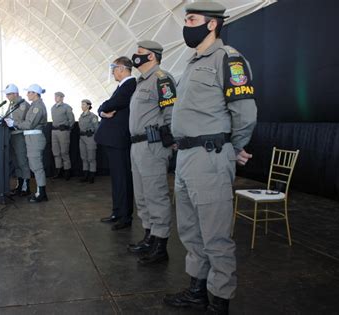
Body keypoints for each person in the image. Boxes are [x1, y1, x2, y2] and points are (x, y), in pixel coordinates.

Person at [163, 1, 257, 314]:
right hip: (187, 158)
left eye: (192, 19)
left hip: (210, 157)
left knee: (215, 235)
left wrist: (232, 147)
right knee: (190, 231)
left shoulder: (228, 59)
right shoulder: (191, 63)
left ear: (212, 24)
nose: (186, 25)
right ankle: (197, 291)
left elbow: (244, 112)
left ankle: (219, 302)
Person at [127, 40, 176, 265]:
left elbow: (171, 112)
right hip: (137, 145)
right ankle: (149, 237)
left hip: (153, 144)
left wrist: (169, 141)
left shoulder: (162, 79)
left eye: (140, 53)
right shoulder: (140, 83)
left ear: (152, 57)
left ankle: (160, 245)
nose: (135, 56)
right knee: (143, 196)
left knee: (156, 195)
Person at [94, 56, 136, 231]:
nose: (112, 72)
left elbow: (113, 103)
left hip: (120, 139)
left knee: (123, 178)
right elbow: (104, 107)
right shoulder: (122, 86)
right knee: (117, 179)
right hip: (113, 140)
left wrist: (103, 108)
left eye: (114, 68)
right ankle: (117, 211)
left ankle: (125, 216)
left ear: (122, 68)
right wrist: (103, 110)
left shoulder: (130, 85)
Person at [5, 84, 49, 203]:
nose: (27, 94)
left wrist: (14, 124)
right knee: (35, 166)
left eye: (29, 92)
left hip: (35, 137)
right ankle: (40, 191)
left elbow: (29, 124)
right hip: (31, 137)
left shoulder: (37, 106)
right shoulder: (34, 105)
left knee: (37, 167)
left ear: (35, 93)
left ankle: (41, 193)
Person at [2, 84, 31, 196]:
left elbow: (24, 121)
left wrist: (13, 123)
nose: (7, 96)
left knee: (22, 160)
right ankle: (20, 185)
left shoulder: (23, 105)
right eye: (6, 94)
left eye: (9, 94)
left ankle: (26, 186)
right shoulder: (12, 104)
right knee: (16, 161)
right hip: (12, 134)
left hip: (20, 135)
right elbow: (7, 117)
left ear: (15, 94)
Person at [51, 91, 75, 180]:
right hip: (54, 131)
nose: (55, 98)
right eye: (55, 96)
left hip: (63, 131)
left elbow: (71, 120)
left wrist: (67, 128)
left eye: (57, 96)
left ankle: (67, 171)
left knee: (64, 152)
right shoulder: (53, 107)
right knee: (56, 152)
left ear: (61, 97)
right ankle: (58, 171)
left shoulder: (67, 107)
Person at [78, 99, 99, 184]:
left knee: (91, 158)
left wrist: (91, 130)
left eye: (83, 104)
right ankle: (85, 175)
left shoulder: (93, 116)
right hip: (82, 138)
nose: (82, 106)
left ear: (88, 106)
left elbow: (96, 127)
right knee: (84, 157)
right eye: (81, 104)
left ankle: (92, 175)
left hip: (90, 138)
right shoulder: (81, 116)